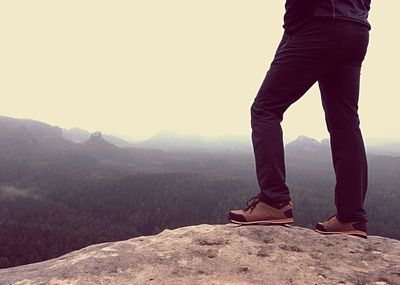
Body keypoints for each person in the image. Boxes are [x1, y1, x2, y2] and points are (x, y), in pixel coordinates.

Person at [228, 0, 371, 239]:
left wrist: (294, 25)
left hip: (319, 23)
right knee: (346, 125)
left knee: (265, 109)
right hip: (356, 29)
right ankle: (351, 217)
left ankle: (274, 201)